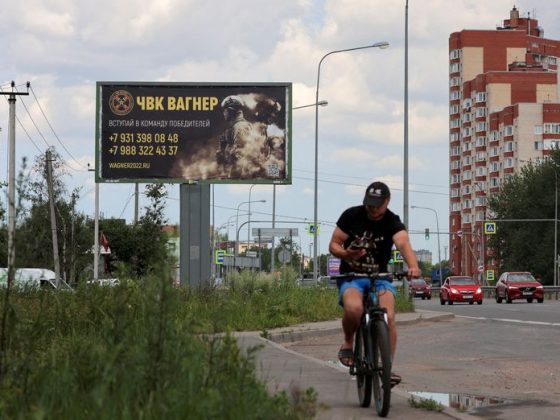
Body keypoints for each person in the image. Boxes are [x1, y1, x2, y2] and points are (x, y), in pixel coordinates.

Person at [328, 181, 421, 387]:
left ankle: (386, 367)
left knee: (389, 316)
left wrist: (413, 265)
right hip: (351, 276)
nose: (373, 209)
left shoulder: (392, 221)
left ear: (387, 202)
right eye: (369, 204)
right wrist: (346, 254)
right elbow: (334, 244)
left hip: (380, 278)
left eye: (377, 205)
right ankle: (348, 342)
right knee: (354, 309)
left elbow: (403, 243)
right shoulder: (351, 215)